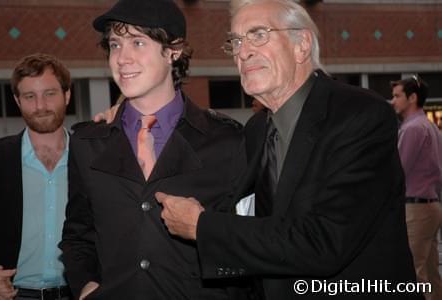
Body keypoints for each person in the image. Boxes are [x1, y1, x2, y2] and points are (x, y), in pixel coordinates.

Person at [156, 0, 423, 299]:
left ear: (302, 45)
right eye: (236, 41)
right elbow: (253, 222)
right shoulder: (257, 130)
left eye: (258, 34)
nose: (243, 52)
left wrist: (202, 227)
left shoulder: (360, 115)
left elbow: (325, 242)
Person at [59, 0, 248, 299]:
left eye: (137, 42)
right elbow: (78, 234)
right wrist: (84, 284)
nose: (122, 58)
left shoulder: (227, 141)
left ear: (174, 50)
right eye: (115, 44)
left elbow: (242, 244)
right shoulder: (87, 143)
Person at [0, 53, 71, 300]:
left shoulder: (93, 159)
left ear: (67, 95)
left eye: (49, 93)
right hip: (12, 295)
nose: (40, 106)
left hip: (80, 292)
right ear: (17, 101)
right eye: (29, 96)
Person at [390, 75, 442, 300]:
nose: (392, 101)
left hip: (416, 208)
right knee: (431, 274)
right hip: (430, 206)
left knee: (414, 274)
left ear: (412, 98)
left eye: (397, 96)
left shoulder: (412, 129)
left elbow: (398, 171)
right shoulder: (429, 126)